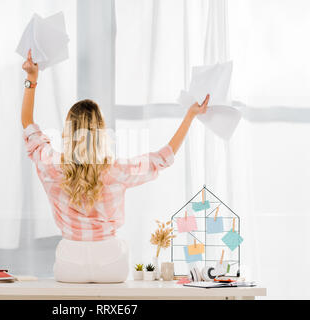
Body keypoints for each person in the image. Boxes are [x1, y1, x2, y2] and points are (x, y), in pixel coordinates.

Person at [21, 50, 209, 283]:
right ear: (100, 132)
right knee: (121, 248)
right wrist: (190, 115)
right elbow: (164, 157)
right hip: (110, 262)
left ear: (68, 131)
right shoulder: (117, 170)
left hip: (69, 263)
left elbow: (28, 124)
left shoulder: (50, 165)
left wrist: (32, 78)